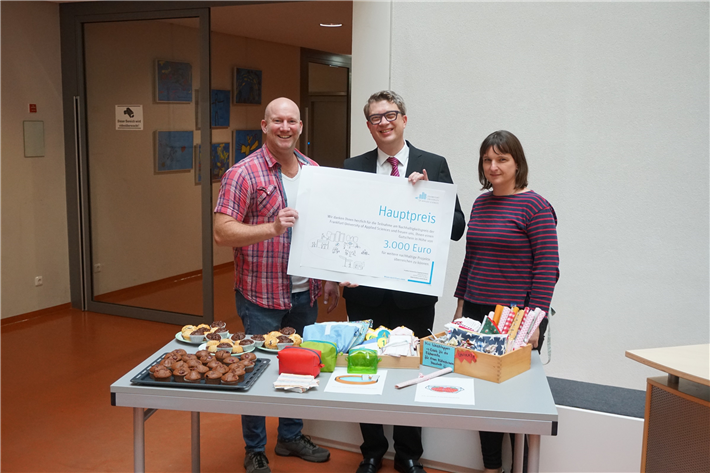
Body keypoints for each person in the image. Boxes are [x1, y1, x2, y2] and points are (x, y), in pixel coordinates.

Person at [214, 97, 340, 473]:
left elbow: (323, 230)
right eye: (277, 121)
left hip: (305, 293)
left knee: (300, 368)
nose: (285, 127)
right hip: (260, 297)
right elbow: (222, 233)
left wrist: (328, 278)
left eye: (292, 121)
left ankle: (289, 436)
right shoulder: (244, 173)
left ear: (301, 126)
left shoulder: (314, 171)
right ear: (264, 125)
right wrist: (271, 227)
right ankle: (254, 448)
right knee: (256, 372)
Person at [343, 90, 466, 473]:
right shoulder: (354, 166)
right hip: (365, 295)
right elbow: (343, 223)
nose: (384, 122)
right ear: (368, 126)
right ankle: (372, 451)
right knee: (365, 370)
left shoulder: (434, 163)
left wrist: (429, 196)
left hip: (414, 297)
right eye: (376, 118)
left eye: (390, 115)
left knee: (413, 373)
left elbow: (458, 228)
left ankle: (409, 453)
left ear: (404, 119)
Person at [453, 130, 559, 473]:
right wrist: (459, 308)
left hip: (515, 319)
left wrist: (534, 323)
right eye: (488, 159)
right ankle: (491, 467)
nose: (494, 166)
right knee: (483, 397)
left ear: (517, 163)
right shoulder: (480, 203)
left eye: (502, 159)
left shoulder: (536, 206)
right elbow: (470, 260)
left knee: (516, 403)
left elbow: (547, 268)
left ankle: (523, 468)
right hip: (476, 314)